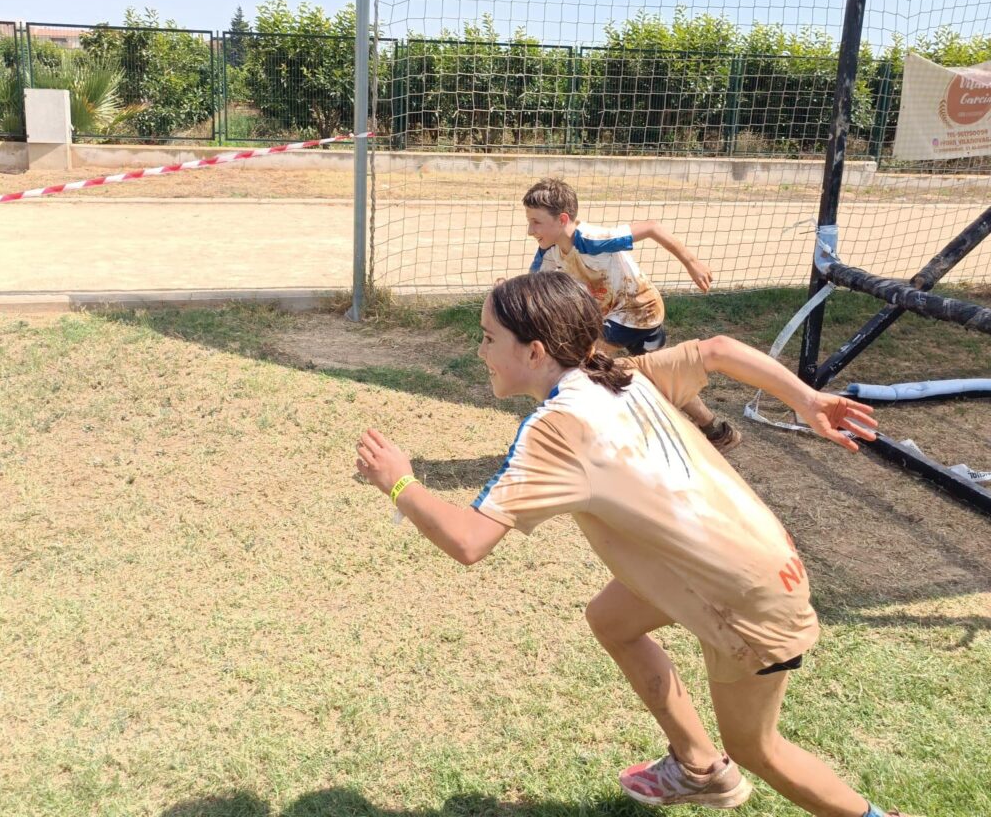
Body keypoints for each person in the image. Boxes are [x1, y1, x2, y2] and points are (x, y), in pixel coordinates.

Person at [355, 271, 913, 817]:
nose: (481, 351)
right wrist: (806, 398)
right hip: (759, 559)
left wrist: (400, 483)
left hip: (744, 597)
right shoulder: (621, 375)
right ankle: (699, 766)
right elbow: (718, 350)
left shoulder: (556, 429)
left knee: (757, 747)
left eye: (488, 338)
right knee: (611, 619)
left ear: (535, 351)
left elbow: (468, 541)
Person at [523, 176, 740, 452]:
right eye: (529, 221)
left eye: (536, 222)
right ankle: (716, 430)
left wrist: (692, 262)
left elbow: (651, 227)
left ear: (562, 219)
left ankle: (588, 437)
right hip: (626, 316)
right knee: (661, 375)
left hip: (637, 311)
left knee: (583, 365)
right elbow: (532, 286)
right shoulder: (550, 250)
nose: (530, 230)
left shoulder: (591, 240)